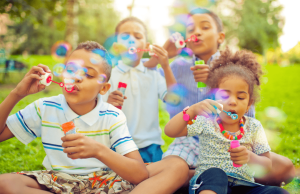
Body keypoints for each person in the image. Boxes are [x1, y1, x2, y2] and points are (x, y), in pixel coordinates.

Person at [144, 7, 295, 188]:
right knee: (176, 168)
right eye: (191, 29)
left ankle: (193, 177)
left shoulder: (233, 68)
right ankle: (195, 175)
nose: (197, 32)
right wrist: (166, 55)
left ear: (220, 37)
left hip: (226, 141)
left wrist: (213, 83)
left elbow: (246, 117)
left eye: (205, 27)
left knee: (286, 168)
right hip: (188, 142)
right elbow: (144, 73)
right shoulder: (177, 66)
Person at [0, 41, 148, 194]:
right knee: (3, 184)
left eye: (88, 74)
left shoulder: (112, 116)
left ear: (103, 88)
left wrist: (98, 150)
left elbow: (140, 174)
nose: (76, 77)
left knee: (167, 167)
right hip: (57, 181)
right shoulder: (45, 107)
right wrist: (17, 94)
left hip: (103, 182)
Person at [164, 48, 289, 194]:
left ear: (249, 103)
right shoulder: (206, 122)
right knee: (216, 174)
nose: (232, 102)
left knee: (277, 192)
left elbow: (267, 164)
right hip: (209, 182)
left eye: (240, 97)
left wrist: (250, 157)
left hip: (244, 186)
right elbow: (170, 131)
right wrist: (190, 111)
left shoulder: (254, 126)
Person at [103, 17, 177, 163]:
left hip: (151, 146)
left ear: (147, 46)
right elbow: (97, 111)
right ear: (116, 47)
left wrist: (166, 66)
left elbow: (174, 99)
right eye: (125, 36)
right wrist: (108, 103)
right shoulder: (109, 76)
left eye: (137, 36)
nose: (131, 40)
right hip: (117, 146)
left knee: (156, 181)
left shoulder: (153, 76)